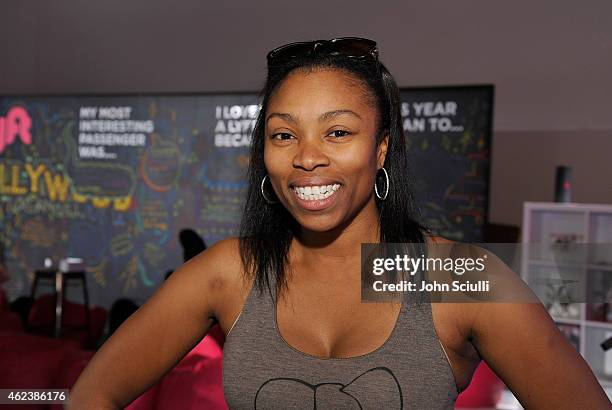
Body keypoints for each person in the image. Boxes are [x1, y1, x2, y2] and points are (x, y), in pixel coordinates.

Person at [69, 38, 610, 409]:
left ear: (380, 150)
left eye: (337, 133)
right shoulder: (229, 272)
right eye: (284, 135)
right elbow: (91, 395)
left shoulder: (454, 276)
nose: (307, 158)